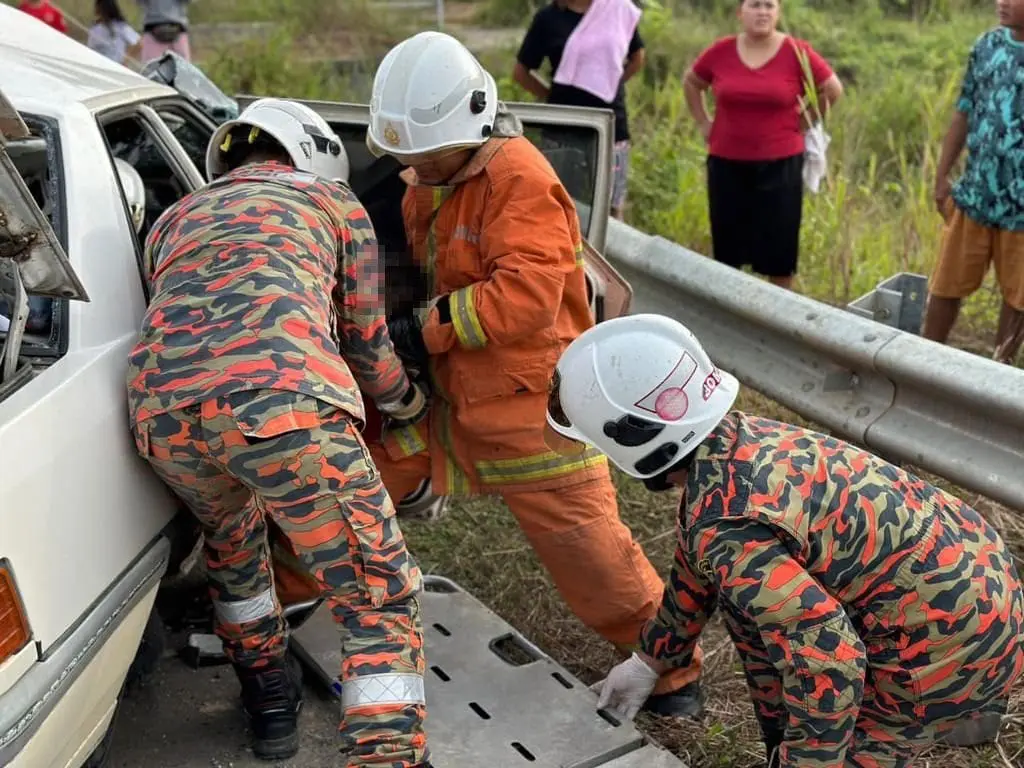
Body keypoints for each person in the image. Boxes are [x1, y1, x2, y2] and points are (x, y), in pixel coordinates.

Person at [363, 30, 705, 719]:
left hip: (530, 411)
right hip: (450, 404)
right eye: (404, 155)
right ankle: (281, 600)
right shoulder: (425, 182)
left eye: (425, 154)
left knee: (591, 553)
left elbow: (524, 297)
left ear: (467, 130)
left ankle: (672, 676)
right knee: (350, 486)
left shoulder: (520, 179)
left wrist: (419, 329)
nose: (413, 166)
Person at [546, 313, 1024, 767]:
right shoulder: (736, 446)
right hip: (981, 591)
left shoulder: (724, 520)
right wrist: (649, 661)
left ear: (627, 437)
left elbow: (830, 663)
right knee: (749, 609)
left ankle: (930, 715)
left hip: (947, 647)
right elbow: (698, 568)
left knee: (831, 731)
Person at [126, 98, 433, 768]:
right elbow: (367, 344)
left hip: (162, 417)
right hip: (284, 403)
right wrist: (408, 405)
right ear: (315, 154)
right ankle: (384, 757)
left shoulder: (171, 219)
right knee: (377, 593)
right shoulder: (330, 201)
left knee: (234, 553)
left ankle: (269, 708)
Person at [682, 0, 842, 290]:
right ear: (740, 13)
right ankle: (728, 311)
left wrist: (804, 122)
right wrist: (704, 123)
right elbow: (692, 83)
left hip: (781, 164)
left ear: (778, 13)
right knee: (728, 249)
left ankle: (774, 316)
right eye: (755, 5)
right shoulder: (721, 50)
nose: (762, 12)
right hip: (726, 162)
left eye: (769, 5)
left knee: (779, 250)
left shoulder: (796, 51)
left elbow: (832, 89)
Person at [921, 0, 1024, 365]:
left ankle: (998, 376)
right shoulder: (987, 46)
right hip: (976, 195)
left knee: (1018, 300)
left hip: (1022, 211)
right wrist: (941, 175)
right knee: (945, 286)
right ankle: (922, 362)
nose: (1003, 2)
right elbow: (964, 111)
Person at [514, 0, 646, 220]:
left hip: (611, 127)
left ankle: (607, 254)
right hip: (563, 127)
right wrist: (554, 96)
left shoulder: (616, 9)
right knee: (561, 204)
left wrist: (610, 84)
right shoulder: (548, 18)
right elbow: (521, 72)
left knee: (610, 208)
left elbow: (637, 56)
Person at [87, 0, 141, 65]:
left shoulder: (120, 27)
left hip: (115, 67)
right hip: (97, 67)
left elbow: (139, 44)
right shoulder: (95, 28)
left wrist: (125, 60)